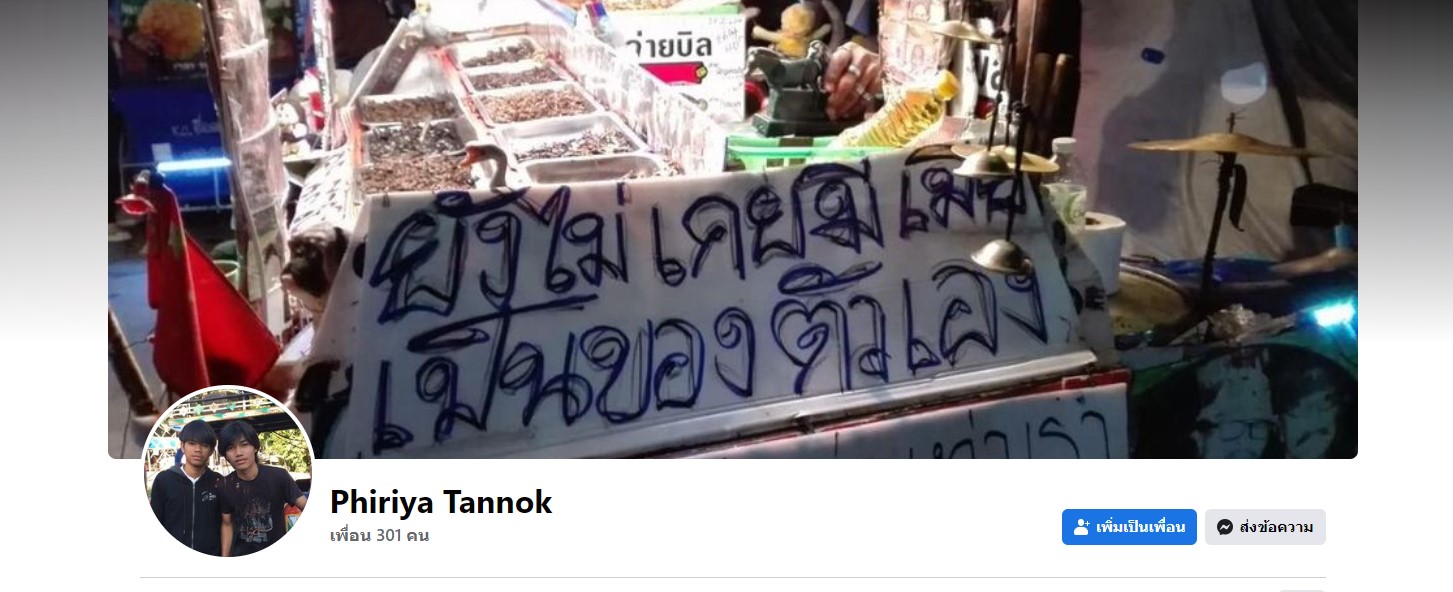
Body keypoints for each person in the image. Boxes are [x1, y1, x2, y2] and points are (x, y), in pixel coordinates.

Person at [218, 420, 308, 557]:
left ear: (255, 447)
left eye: (244, 445)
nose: (238, 453)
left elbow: (304, 505)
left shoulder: (278, 476)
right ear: (225, 454)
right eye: (230, 448)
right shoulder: (225, 485)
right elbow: (227, 524)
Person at [150, 420, 223, 556]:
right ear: (182, 446)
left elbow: (226, 524)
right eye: (192, 443)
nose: (198, 449)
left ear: (212, 450)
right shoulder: (164, 480)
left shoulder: (218, 482)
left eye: (205, 445)